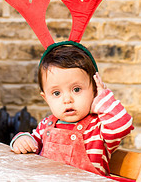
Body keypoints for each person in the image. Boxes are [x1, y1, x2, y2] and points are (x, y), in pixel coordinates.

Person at [10, 44, 134, 179]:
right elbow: (32, 143)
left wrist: (102, 98)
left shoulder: (99, 127)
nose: (67, 99)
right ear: (46, 98)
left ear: (94, 90)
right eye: (56, 93)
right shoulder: (46, 125)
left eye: (76, 89)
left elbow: (122, 125)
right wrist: (23, 140)